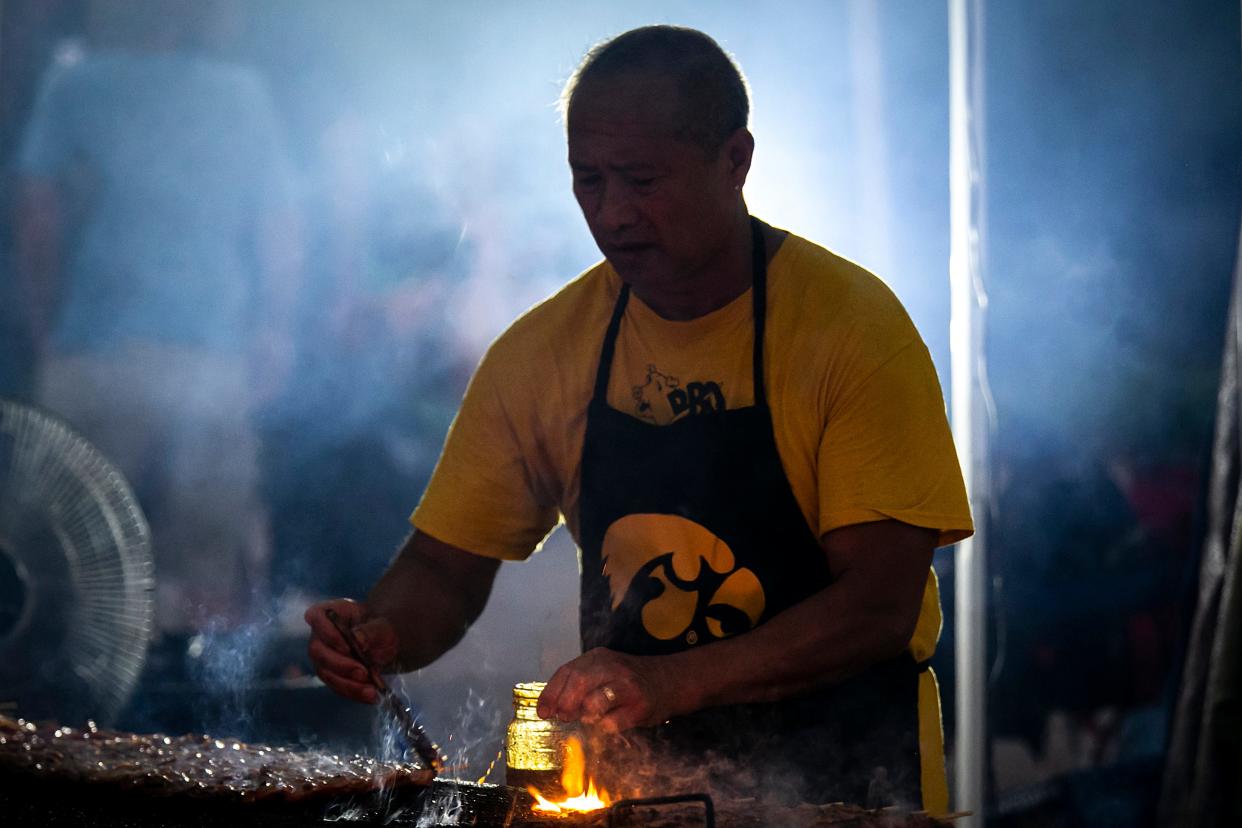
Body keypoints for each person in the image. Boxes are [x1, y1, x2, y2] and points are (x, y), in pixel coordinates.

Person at [306, 25, 972, 811]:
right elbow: (445, 569)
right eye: (588, 180)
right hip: (643, 795)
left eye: (642, 180)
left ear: (736, 161)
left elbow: (878, 606)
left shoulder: (851, 330)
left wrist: (668, 681)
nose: (613, 212)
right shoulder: (545, 352)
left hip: (851, 791)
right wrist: (385, 632)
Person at [13, 0, 301, 634]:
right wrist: (274, 330)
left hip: (93, 355)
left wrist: (47, 324)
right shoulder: (239, 94)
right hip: (208, 363)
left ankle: (63, 718)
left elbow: (37, 213)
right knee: (204, 571)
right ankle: (196, 719)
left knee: (70, 568)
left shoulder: (76, 84)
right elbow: (278, 221)